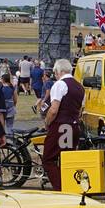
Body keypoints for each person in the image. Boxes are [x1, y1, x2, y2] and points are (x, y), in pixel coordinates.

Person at [41, 60, 83, 190]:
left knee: (48, 159)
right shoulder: (79, 86)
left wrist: (47, 123)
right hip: (73, 126)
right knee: (67, 160)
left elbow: (53, 110)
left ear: (58, 71)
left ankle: (60, 189)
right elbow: (81, 110)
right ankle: (70, 186)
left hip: (61, 126)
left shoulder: (60, 84)